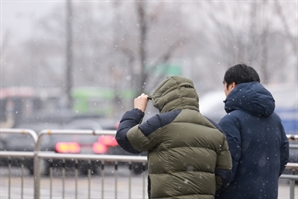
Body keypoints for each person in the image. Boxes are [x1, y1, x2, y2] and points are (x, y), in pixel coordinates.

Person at [116, 76, 232, 199]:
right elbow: (224, 175)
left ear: (163, 99)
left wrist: (137, 111)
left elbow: (126, 139)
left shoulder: (161, 123)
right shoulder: (215, 129)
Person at [216, 64, 289, 199]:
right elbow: (283, 156)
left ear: (231, 86)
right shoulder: (275, 120)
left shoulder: (231, 122)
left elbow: (226, 168)